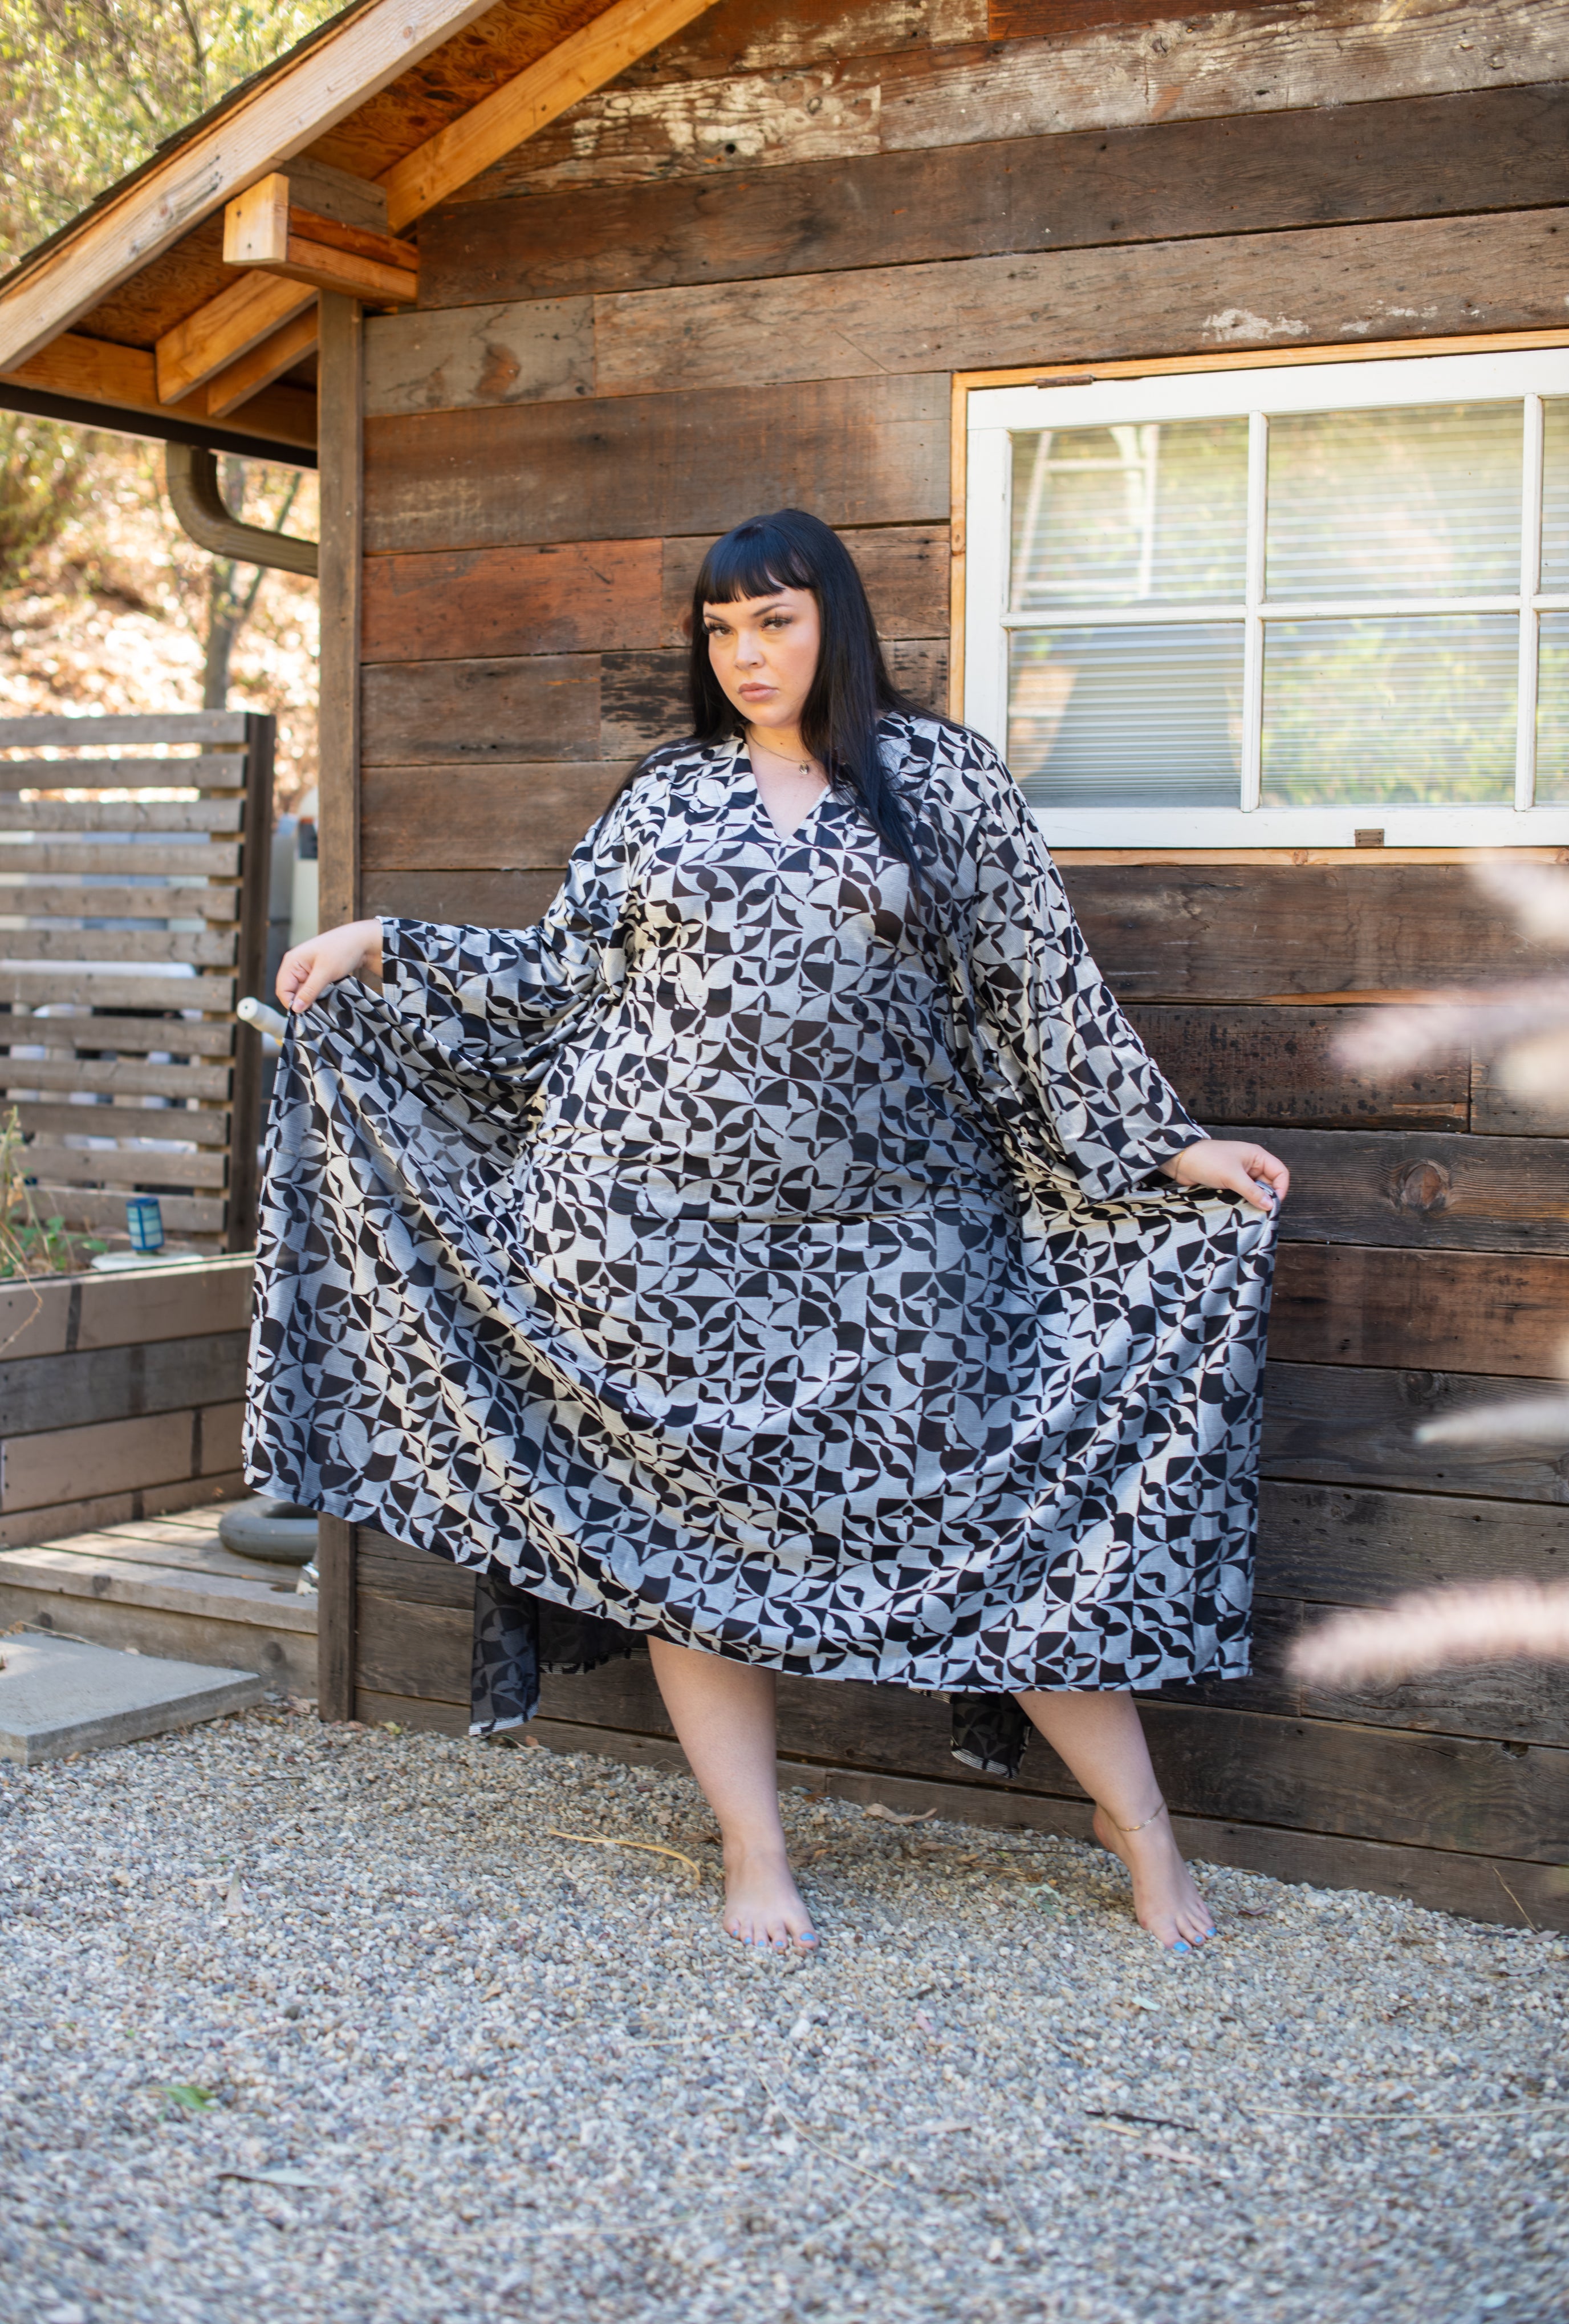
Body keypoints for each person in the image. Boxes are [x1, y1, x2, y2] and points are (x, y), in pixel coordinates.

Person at [255, 509, 1287, 1961]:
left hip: (897, 1238)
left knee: (985, 1519)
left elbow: (1038, 988)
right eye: (721, 629)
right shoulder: (665, 795)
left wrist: (1165, 1147)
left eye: (775, 622)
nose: (745, 655)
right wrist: (383, 944)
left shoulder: (942, 781)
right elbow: (558, 975)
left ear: (834, 622)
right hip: (651, 1231)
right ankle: (754, 1845)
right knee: (685, 1537)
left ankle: (1140, 1828)